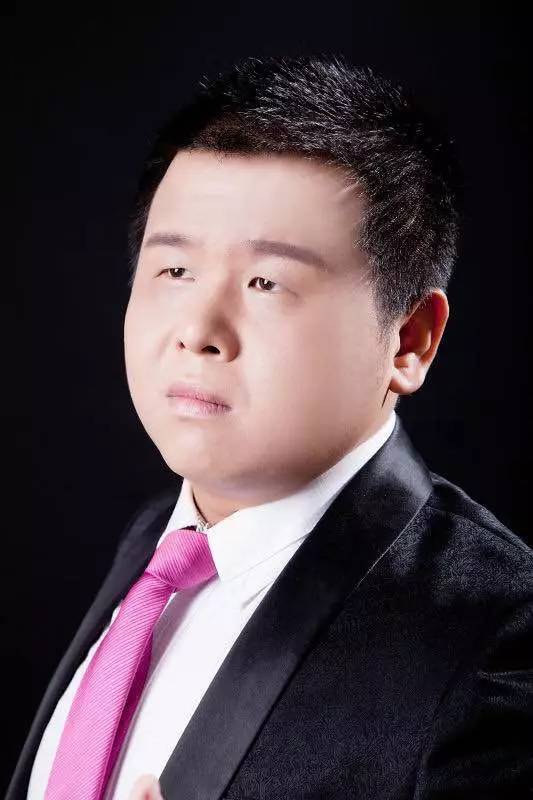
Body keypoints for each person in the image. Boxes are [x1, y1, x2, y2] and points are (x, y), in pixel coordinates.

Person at [9, 54, 532, 800]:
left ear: (409, 339)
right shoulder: (158, 543)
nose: (199, 332)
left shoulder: (497, 636)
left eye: (266, 282)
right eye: (175, 271)